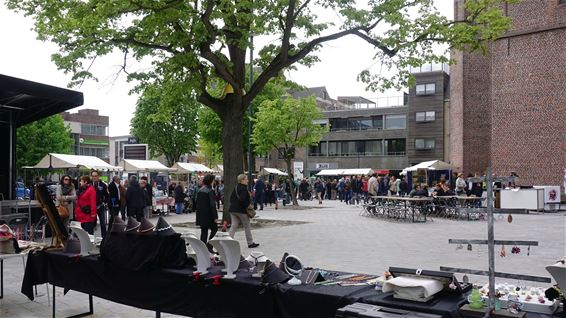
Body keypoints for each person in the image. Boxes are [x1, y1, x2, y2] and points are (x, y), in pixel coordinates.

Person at [229, 174, 259, 248]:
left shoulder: (236, 187)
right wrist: (248, 205)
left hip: (233, 209)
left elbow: (231, 198)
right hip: (241, 210)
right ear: (242, 180)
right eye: (246, 179)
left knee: (233, 226)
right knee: (247, 226)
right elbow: (243, 200)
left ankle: (228, 242)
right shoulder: (243, 189)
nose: (247, 181)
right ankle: (250, 243)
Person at [196, 174, 219, 253]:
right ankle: (209, 245)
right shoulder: (210, 191)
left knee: (204, 231)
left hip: (201, 214)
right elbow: (212, 204)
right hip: (209, 214)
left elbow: (197, 203)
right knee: (214, 229)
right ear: (211, 181)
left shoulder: (200, 190)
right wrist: (215, 216)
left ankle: (202, 247)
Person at [91, 170, 109, 238]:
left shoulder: (103, 185)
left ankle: (104, 239)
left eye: (96, 176)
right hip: (92, 208)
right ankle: (91, 239)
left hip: (100, 207)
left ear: (98, 176)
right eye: (93, 176)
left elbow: (107, 196)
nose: (94, 177)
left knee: (103, 224)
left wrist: (104, 201)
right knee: (92, 224)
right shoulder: (89, 185)